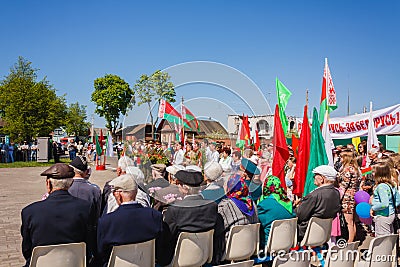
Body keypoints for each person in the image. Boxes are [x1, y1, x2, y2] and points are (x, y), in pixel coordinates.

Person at [21, 163, 96, 267]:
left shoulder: (30, 212)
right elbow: (91, 241)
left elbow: (26, 249)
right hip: (75, 262)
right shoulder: (86, 207)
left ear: (48, 184)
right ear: (71, 183)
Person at [97, 174, 171, 266]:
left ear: (118, 194)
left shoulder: (107, 221)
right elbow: (161, 246)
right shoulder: (155, 216)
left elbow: (100, 252)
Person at [163, 169, 219, 264]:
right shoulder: (212, 206)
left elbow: (166, 236)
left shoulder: (175, 209)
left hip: (178, 259)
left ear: (185, 188)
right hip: (204, 257)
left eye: (178, 184)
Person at [214, 174, 259, 263]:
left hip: (228, 251)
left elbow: (217, 229)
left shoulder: (226, 206)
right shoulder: (252, 204)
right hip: (249, 249)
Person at [295, 165, 341, 242]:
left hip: (306, 232)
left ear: (322, 178)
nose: (314, 177)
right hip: (324, 232)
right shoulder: (336, 193)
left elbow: (299, 215)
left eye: (315, 175)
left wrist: (294, 207)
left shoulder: (314, 195)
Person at [257, 176, 295, 249]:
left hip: (268, 244)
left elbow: (257, 222)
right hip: (288, 242)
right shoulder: (287, 203)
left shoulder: (264, 204)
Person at [68, 155, 102, 220]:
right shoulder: (95, 189)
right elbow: (98, 213)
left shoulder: (64, 187)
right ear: (86, 172)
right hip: (89, 227)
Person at [371, 163, 400, 236]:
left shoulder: (381, 187)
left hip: (383, 215)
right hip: (391, 214)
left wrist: (373, 208)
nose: (372, 174)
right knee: (389, 235)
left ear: (379, 174)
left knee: (382, 237)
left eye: (374, 172)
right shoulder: (391, 184)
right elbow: (398, 200)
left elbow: (384, 204)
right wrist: (392, 207)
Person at [338, 151, 361, 242]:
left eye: (342, 157)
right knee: (353, 221)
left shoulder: (347, 170)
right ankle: (353, 240)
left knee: (349, 222)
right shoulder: (356, 169)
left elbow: (344, 185)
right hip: (355, 195)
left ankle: (350, 242)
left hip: (347, 197)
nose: (340, 159)